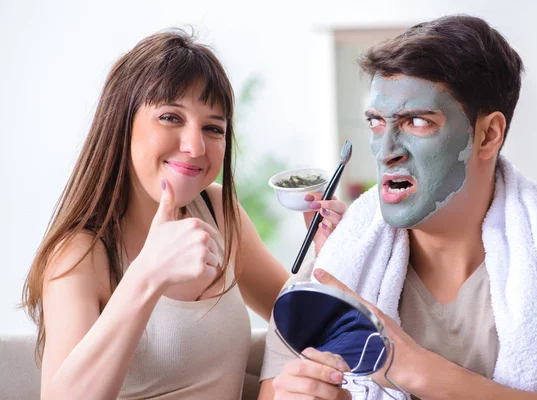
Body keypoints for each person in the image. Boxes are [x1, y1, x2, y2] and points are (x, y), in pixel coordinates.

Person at [258, 15, 537, 400]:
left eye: (416, 121)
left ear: (488, 135)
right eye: (375, 123)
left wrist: (409, 368)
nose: (386, 152)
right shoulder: (326, 276)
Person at [21, 29, 347, 399]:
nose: (195, 147)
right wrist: (147, 275)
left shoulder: (218, 212)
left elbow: (295, 318)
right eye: (170, 118)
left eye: (213, 128)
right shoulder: (80, 254)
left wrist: (326, 254)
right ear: (121, 124)